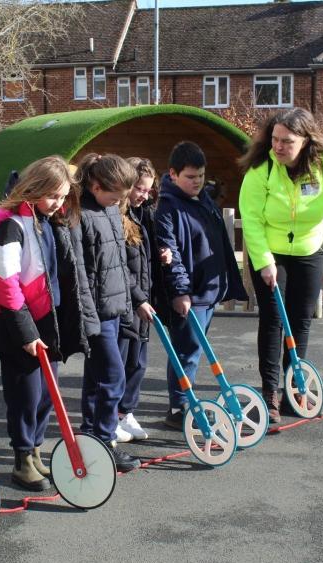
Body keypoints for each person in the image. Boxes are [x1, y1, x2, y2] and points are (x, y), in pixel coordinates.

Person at [0, 156, 100, 491]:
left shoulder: (47, 222)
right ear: (32, 189)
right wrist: (26, 333)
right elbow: (6, 283)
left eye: (62, 197)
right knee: (25, 394)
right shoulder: (9, 226)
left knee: (47, 393)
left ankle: (37, 451)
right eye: (52, 196)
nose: (58, 203)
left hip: (46, 319)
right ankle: (22, 457)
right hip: (17, 323)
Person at [239, 108, 323, 423]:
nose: (279, 147)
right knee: (273, 320)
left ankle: (294, 388)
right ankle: (270, 393)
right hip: (270, 252)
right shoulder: (262, 168)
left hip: (309, 251)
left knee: (301, 320)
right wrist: (264, 262)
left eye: (287, 141)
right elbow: (253, 220)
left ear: (306, 141)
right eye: (275, 139)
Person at [156, 141, 247, 429]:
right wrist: (181, 291)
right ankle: (179, 407)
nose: (197, 182)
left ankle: (186, 401)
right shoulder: (168, 207)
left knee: (195, 350)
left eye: (201, 176)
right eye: (190, 177)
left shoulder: (203, 200)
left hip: (208, 291)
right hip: (189, 294)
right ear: (173, 174)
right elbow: (172, 252)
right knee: (186, 351)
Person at [76, 153, 143, 472]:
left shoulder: (109, 211)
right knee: (114, 377)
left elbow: (118, 264)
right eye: (114, 196)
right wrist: (88, 318)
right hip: (97, 313)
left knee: (97, 378)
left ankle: (90, 434)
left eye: (121, 199)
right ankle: (104, 439)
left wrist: (137, 299)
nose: (118, 203)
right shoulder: (84, 216)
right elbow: (83, 275)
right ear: (95, 185)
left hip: (115, 308)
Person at [117, 157, 169, 441]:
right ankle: (113, 415)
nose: (144, 195)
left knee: (138, 362)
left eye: (148, 190)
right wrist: (137, 298)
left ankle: (127, 412)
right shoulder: (117, 218)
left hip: (143, 302)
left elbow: (144, 260)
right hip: (126, 303)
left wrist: (163, 253)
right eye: (139, 188)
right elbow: (118, 267)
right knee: (121, 362)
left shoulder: (143, 214)